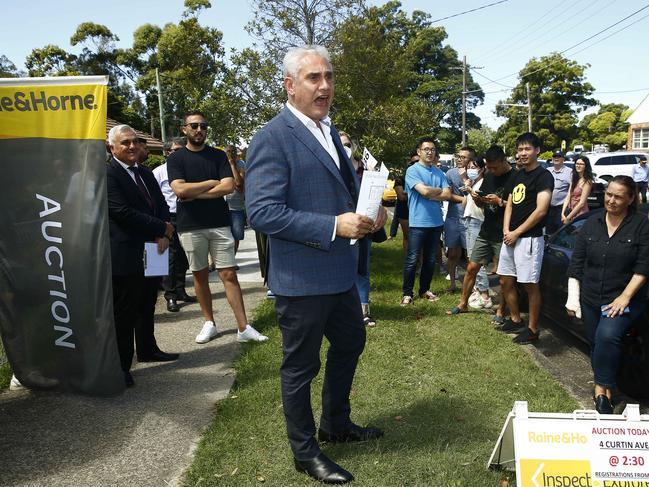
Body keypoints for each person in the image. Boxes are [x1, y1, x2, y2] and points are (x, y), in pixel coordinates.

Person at [245, 45, 386, 485]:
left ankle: (336, 425)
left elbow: (339, 192)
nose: (324, 86)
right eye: (313, 78)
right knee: (301, 368)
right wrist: (332, 225)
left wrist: (367, 215)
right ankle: (305, 452)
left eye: (328, 76)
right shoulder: (273, 136)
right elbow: (262, 212)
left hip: (340, 274)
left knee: (350, 345)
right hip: (302, 279)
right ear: (290, 85)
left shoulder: (327, 128)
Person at [167, 111, 268, 344]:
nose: (199, 130)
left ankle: (243, 328)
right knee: (200, 275)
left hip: (219, 223)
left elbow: (229, 186)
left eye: (203, 125)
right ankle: (209, 323)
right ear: (185, 129)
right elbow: (180, 191)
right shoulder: (176, 159)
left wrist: (197, 192)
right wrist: (212, 183)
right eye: (194, 126)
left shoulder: (218, 156)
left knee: (228, 274)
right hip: (190, 226)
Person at [566, 175, 649, 414]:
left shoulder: (641, 225)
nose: (611, 200)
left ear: (630, 199)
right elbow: (577, 263)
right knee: (595, 342)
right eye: (608, 194)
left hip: (624, 297)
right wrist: (573, 297)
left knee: (607, 336)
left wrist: (625, 297)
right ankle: (606, 387)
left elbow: (644, 266)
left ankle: (602, 390)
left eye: (618, 196)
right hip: (591, 295)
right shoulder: (591, 224)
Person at [106, 125, 180, 387]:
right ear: (111, 148)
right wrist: (161, 227)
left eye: (135, 141)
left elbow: (160, 204)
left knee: (147, 303)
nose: (132, 146)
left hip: (153, 250)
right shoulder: (109, 174)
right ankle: (121, 366)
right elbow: (121, 211)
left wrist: (164, 232)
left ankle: (148, 350)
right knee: (124, 313)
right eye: (125, 143)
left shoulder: (145, 173)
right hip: (125, 254)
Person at [498, 132, 554, 344]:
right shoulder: (517, 175)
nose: (523, 153)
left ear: (537, 150)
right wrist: (506, 230)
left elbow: (541, 211)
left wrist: (517, 232)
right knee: (504, 279)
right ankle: (514, 318)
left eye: (527, 149)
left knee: (529, 284)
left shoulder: (544, 176)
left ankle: (532, 329)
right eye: (520, 149)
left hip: (529, 239)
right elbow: (510, 203)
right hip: (509, 237)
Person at [446, 145, 514, 319]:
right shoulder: (490, 175)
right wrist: (478, 199)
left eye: (494, 167)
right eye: (489, 167)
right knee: (471, 267)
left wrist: (500, 201)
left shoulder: (515, 177)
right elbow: (482, 204)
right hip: (486, 230)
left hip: (504, 233)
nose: (491, 170)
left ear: (503, 160)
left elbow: (520, 207)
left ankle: (500, 310)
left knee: (504, 277)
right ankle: (463, 304)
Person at [400, 137, 451, 305]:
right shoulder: (412, 171)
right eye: (426, 149)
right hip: (418, 222)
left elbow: (447, 194)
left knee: (430, 260)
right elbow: (424, 192)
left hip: (436, 222)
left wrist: (432, 192)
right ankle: (407, 293)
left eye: (433, 149)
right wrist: (436, 192)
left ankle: (424, 290)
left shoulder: (439, 172)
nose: (430, 152)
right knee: (412, 259)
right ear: (419, 152)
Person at [153, 137, 198, 312]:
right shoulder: (159, 172)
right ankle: (170, 295)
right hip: (169, 216)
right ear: (166, 153)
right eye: (175, 150)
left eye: (182, 150)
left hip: (188, 215)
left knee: (184, 255)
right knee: (170, 257)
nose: (179, 154)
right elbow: (154, 198)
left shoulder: (188, 169)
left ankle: (180, 290)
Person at [340, 132, 376, 327]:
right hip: (340, 227)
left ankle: (363, 311)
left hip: (363, 226)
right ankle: (342, 312)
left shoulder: (366, 168)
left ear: (353, 145)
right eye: (340, 143)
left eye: (347, 143)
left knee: (362, 269)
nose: (344, 147)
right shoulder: (332, 166)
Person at [460, 157, 491, 309]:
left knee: (476, 259)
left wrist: (471, 190)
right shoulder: (473, 183)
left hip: (477, 221)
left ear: (482, 169)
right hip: (469, 220)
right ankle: (478, 290)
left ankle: (485, 294)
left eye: (474, 167)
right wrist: (467, 188)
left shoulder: (484, 183)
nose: (471, 170)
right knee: (471, 257)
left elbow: (482, 201)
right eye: (469, 167)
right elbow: (464, 204)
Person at [444, 147, 473, 292]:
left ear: (471, 160)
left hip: (470, 219)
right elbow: (448, 195)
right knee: (453, 253)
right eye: (459, 156)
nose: (460, 159)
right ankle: (453, 284)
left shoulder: (476, 173)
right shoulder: (450, 173)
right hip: (453, 217)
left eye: (464, 157)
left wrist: (466, 179)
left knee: (471, 255)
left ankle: (472, 287)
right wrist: (464, 199)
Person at [392, 152, 418, 250]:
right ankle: (409, 261)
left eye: (418, 162)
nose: (416, 164)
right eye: (413, 162)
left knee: (420, 239)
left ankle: (420, 262)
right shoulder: (401, 178)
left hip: (419, 211)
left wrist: (408, 192)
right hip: (404, 211)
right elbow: (401, 197)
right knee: (408, 237)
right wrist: (420, 192)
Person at [224, 144, 247, 254]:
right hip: (222, 206)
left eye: (233, 151)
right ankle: (212, 261)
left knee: (236, 235)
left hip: (236, 206)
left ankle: (232, 260)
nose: (230, 154)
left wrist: (233, 165)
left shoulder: (241, 164)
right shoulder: (222, 164)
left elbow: (239, 184)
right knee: (219, 235)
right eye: (228, 151)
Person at [561, 155, 593, 225]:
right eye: (577, 164)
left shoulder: (587, 182)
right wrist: (563, 213)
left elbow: (582, 203)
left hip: (580, 215)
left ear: (586, 166)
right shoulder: (574, 178)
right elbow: (568, 195)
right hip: (570, 212)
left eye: (581, 164)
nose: (578, 166)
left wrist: (568, 218)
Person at [546, 150, 572, 234]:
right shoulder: (547, 171)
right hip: (548, 208)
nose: (556, 158)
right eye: (554, 156)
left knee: (561, 233)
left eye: (558, 156)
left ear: (563, 159)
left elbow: (572, 190)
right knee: (548, 232)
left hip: (561, 209)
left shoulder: (569, 172)